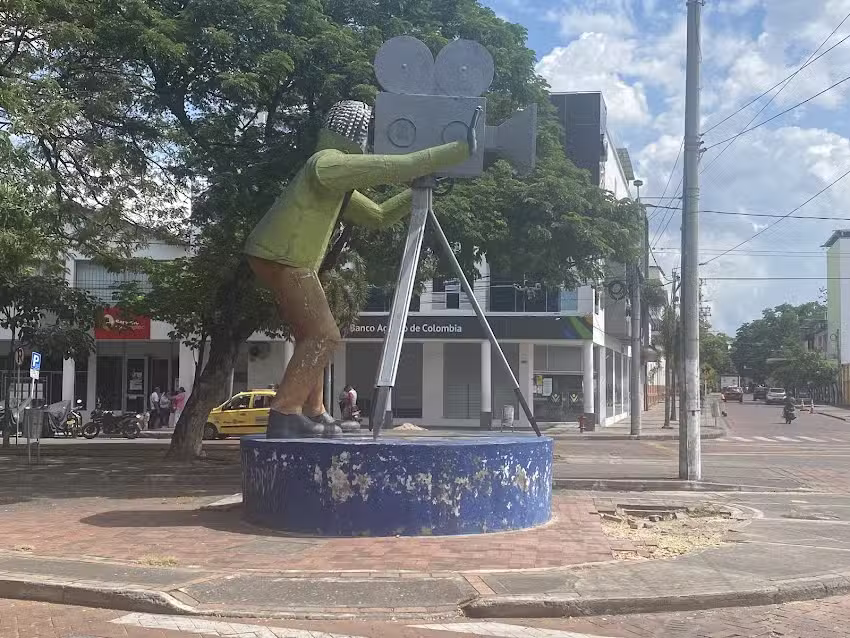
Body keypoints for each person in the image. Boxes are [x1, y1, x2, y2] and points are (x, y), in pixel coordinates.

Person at [244, 100, 474, 439]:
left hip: (280, 257)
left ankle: (313, 409)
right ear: (355, 134)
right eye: (366, 135)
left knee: (313, 337)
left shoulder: (331, 180)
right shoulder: (326, 164)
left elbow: (378, 216)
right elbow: (400, 165)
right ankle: (284, 413)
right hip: (284, 256)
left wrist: (417, 193)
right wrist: (459, 150)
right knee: (324, 335)